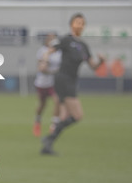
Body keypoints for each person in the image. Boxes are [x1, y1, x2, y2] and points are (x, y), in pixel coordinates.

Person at [40, 13, 105, 155]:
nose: (79, 25)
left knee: (64, 116)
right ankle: (48, 139)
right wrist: (44, 61)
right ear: (71, 24)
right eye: (77, 22)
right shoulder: (66, 40)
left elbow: (93, 66)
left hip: (71, 81)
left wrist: (101, 61)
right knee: (77, 115)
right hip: (63, 79)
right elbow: (49, 51)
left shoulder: (83, 46)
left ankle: (47, 145)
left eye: (82, 23)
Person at [33, 34, 62, 137]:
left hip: (53, 83)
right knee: (42, 104)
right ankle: (37, 121)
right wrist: (52, 71)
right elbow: (41, 68)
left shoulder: (59, 52)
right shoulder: (43, 51)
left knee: (57, 101)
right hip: (42, 82)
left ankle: (54, 126)